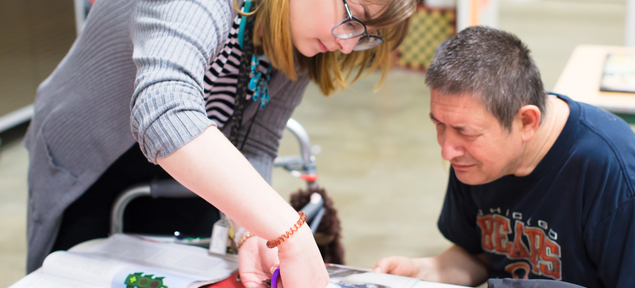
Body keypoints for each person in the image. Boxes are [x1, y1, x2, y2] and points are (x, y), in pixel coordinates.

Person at [23, 0, 413, 286]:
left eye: (364, 35)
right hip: (96, 160)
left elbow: (256, 143)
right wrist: (288, 233)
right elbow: (164, 111)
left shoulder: (300, 40)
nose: (347, 45)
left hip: (197, 163)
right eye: (353, 16)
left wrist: (249, 230)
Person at [372, 26, 635, 288]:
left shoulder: (614, 175)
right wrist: (424, 272)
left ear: (526, 122)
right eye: (439, 125)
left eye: (465, 132)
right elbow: (480, 257)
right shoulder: (473, 162)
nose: (447, 149)